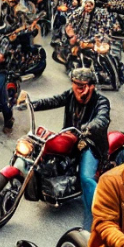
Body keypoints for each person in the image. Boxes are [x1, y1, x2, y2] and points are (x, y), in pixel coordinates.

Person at [24, 67, 111, 230]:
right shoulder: (71, 95)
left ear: (91, 86)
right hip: (70, 137)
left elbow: (103, 118)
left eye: (81, 85)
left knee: (86, 178)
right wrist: (31, 104)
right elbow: (54, 100)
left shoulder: (101, 101)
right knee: (42, 150)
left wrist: (90, 127)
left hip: (90, 143)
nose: (76, 88)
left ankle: (93, 220)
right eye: (75, 84)